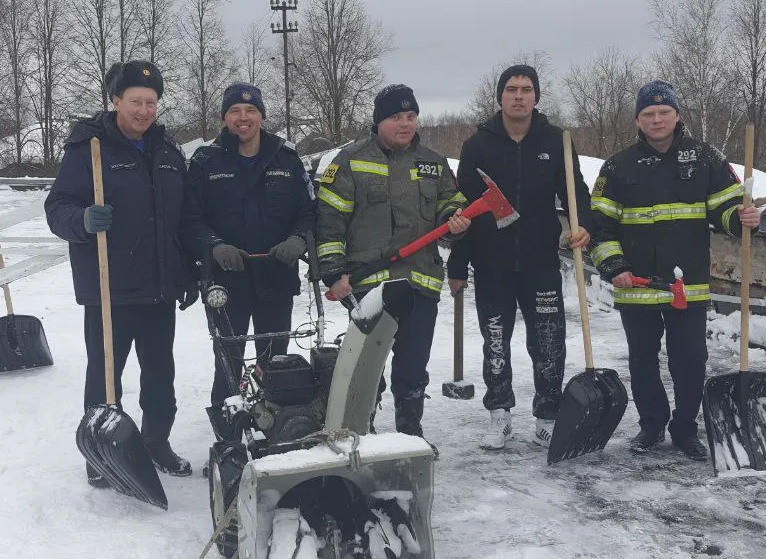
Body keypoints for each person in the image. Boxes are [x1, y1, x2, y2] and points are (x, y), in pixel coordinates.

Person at [588, 80, 762, 460]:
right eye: (648, 113)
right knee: (642, 360)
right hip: (635, 283)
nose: (657, 119)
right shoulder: (618, 166)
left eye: (664, 112)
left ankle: (685, 428)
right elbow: (599, 225)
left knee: (689, 360)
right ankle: (651, 425)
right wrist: (613, 265)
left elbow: (727, 208)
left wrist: (742, 217)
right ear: (638, 119)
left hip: (689, 285)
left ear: (677, 115)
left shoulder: (705, 159)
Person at [45, 60, 194, 485]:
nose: (144, 111)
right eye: (135, 102)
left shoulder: (168, 152)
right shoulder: (89, 148)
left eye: (151, 102)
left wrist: (185, 275)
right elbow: (58, 209)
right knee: (106, 375)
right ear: (115, 101)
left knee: (160, 374)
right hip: (110, 288)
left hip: (159, 288)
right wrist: (83, 220)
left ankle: (156, 442)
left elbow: (179, 220)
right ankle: (102, 453)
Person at [446, 64, 593, 451]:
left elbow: (577, 194)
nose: (518, 95)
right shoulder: (478, 145)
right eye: (511, 89)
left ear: (536, 96)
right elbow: (463, 210)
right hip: (491, 262)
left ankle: (547, 414)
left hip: (540, 261)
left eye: (526, 89)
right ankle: (500, 414)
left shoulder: (556, 141)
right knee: (496, 340)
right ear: (500, 96)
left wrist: (583, 226)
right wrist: (458, 265)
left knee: (548, 342)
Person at [316, 84, 470, 448]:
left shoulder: (434, 161)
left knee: (413, 369)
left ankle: (409, 438)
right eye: (396, 117)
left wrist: (456, 220)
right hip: (369, 285)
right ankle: (359, 436)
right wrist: (333, 272)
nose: (405, 124)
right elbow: (329, 221)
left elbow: (451, 203)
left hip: (421, 282)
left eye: (411, 116)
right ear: (378, 120)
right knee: (367, 368)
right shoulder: (350, 160)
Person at [180, 82, 316, 436]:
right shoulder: (205, 163)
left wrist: (298, 240)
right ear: (225, 118)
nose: (244, 118)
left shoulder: (287, 160)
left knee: (275, 362)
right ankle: (228, 439)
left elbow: (309, 213)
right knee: (227, 362)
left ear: (262, 116)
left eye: (251, 111)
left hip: (276, 277)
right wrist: (213, 246)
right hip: (226, 285)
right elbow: (188, 220)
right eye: (235, 112)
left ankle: (274, 432)